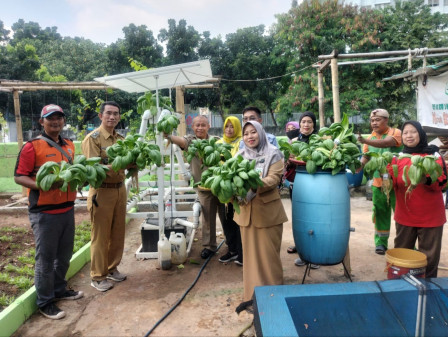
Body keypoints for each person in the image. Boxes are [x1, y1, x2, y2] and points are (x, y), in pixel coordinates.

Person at [14, 104, 83, 320]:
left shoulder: (70, 145)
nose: (55, 122)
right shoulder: (31, 146)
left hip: (67, 209)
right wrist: (42, 185)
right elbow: (19, 176)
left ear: (63, 121)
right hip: (44, 213)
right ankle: (45, 301)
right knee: (45, 260)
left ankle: (59, 289)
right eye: (50, 118)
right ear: (41, 122)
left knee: (64, 256)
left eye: (59, 118)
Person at [234, 120, 288, 313]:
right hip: (246, 213)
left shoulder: (273, 153)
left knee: (268, 258)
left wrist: (251, 183)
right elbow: (232, 178)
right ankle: (251, 298)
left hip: (268, 214)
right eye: (246, 133)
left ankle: (274, 298)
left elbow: (274, 179)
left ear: (261, 133)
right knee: (250, 259)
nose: (250, 136)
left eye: (253, 132)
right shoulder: (239, 156)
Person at [387, 121, 446, 278]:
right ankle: (399, 287)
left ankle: (428, 290)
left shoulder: (433, 156)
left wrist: (426, 179)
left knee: (429, 258)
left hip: (431, 217)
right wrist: (384, 175)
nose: (409, 135)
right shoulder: (397, 158)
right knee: (401, 255)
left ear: (421, 134)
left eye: (413, 132)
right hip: (405, 216)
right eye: (405, 132)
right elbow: (392, 184)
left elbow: (442, 182)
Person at [82, 101, 128, 292]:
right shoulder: (93, 139)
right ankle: (98, 276)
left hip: (119, 189)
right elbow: (93, 169)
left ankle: (111, 268)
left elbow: (130, 160)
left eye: (116, 114)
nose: (112, 117)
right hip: (102, 191)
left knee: (117, 232)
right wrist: (121, 165)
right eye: (108, 113)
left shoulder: (121, 139)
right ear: (100, 116)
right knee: (100, 235)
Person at [166, 115, 220, 259]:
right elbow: (181, 141)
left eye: (203, 125)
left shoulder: (216, 141)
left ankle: (233, 246)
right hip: (204, 186)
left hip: (221, 184)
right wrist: (168, 135)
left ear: (209, 126)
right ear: (193, 127)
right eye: (197, 125)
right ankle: (209, 246)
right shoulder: (191, 141)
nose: (200, 128)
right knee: (207, 218)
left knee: (227, 217)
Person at [358, 108, 402, 255]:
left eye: (377, 119)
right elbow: (366, 157)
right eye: (372, 120)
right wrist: (358, 166)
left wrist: (365, 140)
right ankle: (381, 243)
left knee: (402, 215)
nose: (374, 123)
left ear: (386, 120)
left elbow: (385, 143)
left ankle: (405, 244)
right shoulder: (370, 138)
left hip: (397, 184)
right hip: (378, 184)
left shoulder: (395, 132)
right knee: (380, 212)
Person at [216, 117, 243, 265]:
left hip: (237, 187)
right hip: (222, 187)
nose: (229, 130)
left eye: (232, 127)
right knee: (225, 220)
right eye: (227, 126)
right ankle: (232, 250)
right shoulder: (219, 144)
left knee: (238, 220)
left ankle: (241, 253)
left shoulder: (242, 143)